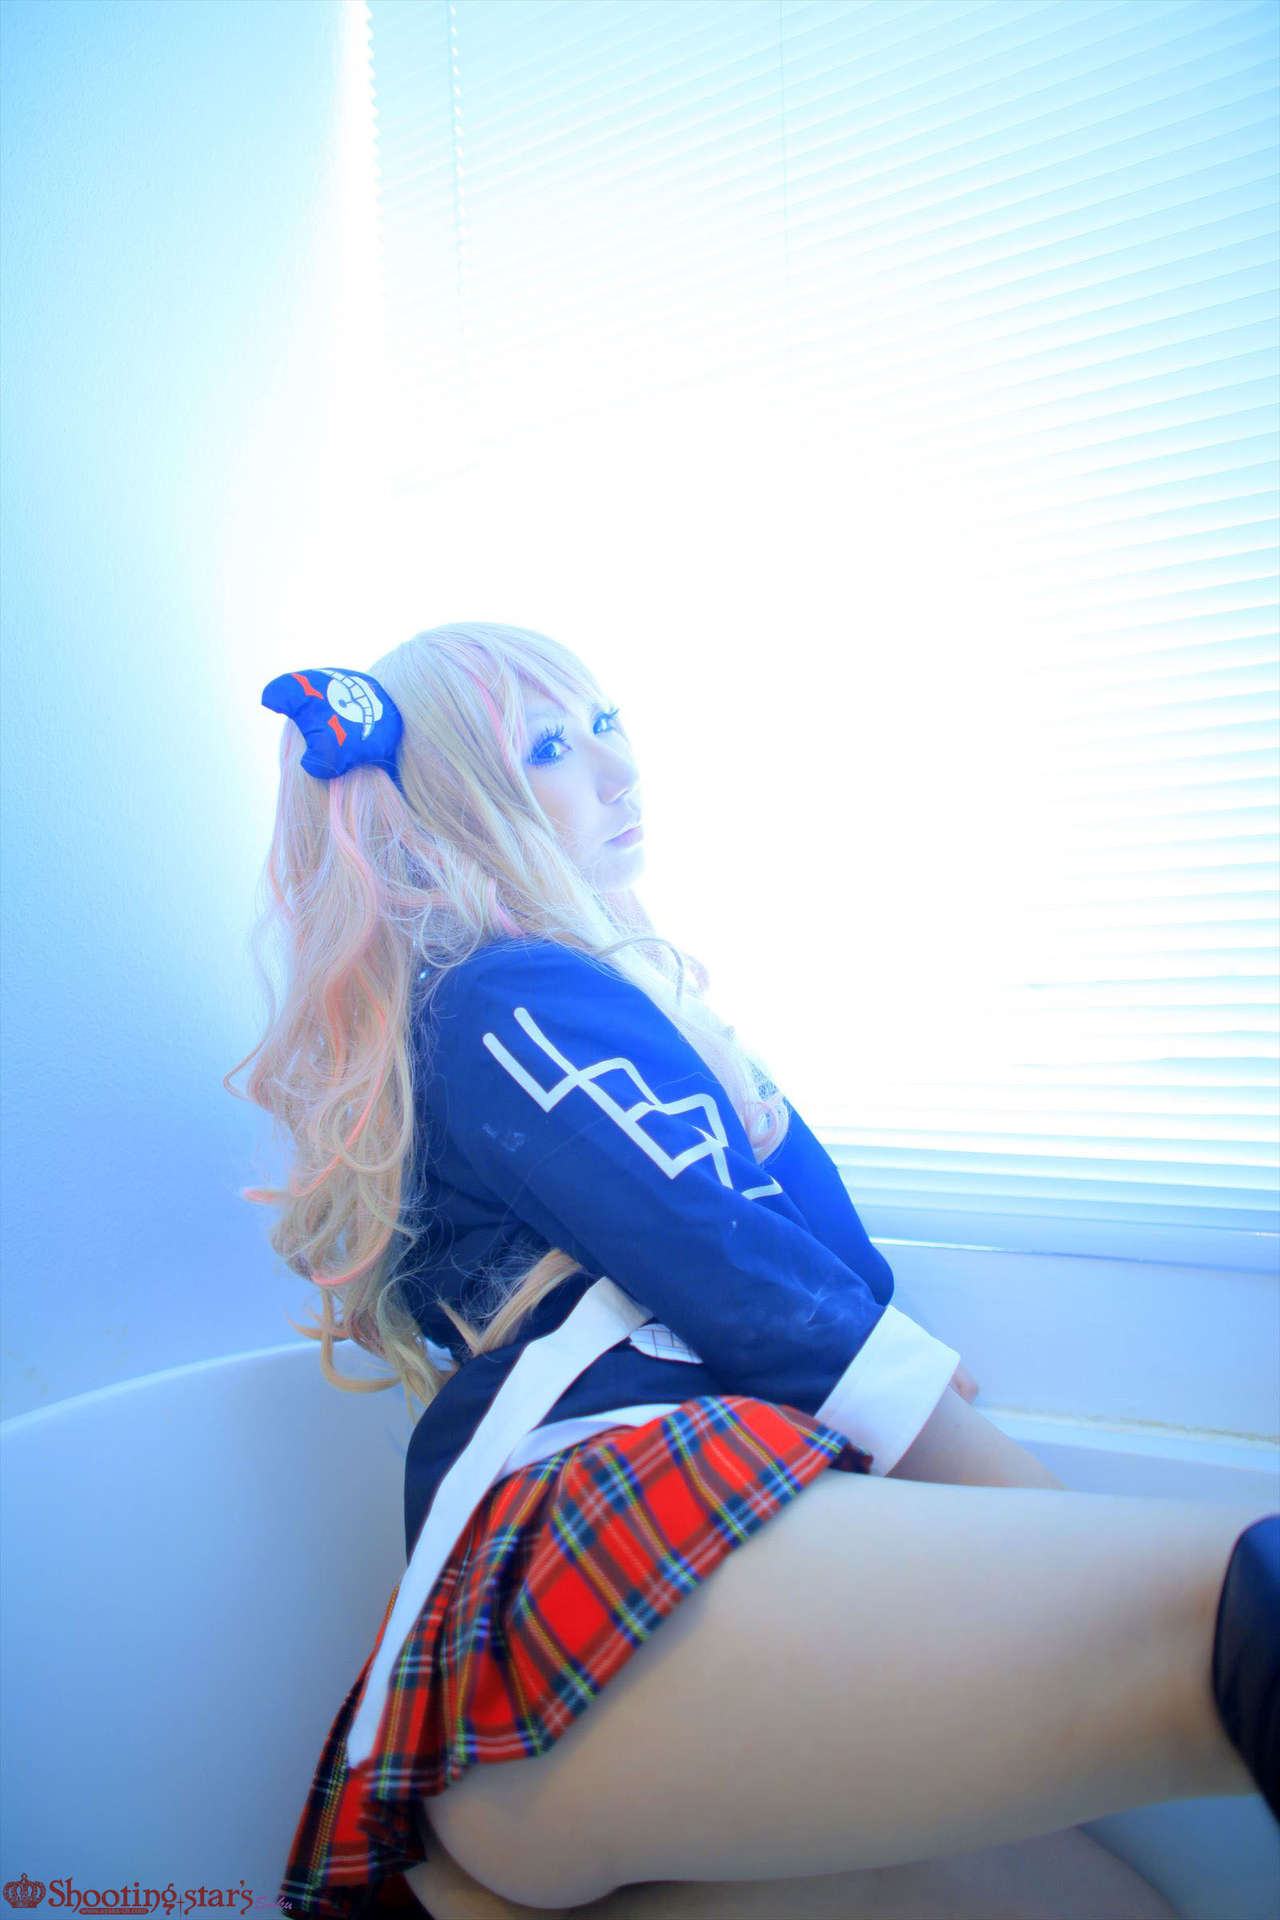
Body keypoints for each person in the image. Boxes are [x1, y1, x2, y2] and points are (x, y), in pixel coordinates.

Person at [227, 622, 1278, 1920]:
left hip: (593, 1670)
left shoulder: (575, 1005)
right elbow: (743, 1274)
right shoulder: (506, 1000)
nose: (617, 769)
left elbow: (822, 1269)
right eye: (550, 747)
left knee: (1104, 1903)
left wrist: (737, 1081)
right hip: (603, 1555)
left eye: (606, 723)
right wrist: (1033, 1502)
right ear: (456, 807)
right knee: (1241, 1604)